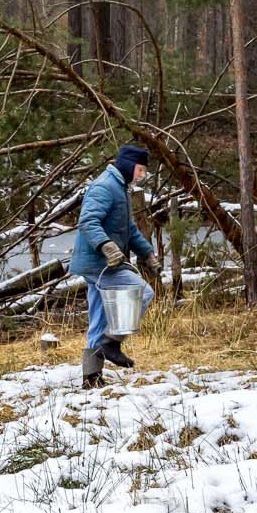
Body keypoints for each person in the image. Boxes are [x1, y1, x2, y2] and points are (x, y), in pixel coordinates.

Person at [70, 143, 158, 387]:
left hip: (100, 263)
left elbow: (128, 229)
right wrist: (107, 246)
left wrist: (147, 253)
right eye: (140, 170)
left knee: (98, 318)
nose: (142, 175)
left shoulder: (120, 188)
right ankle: (112, 342)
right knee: (141, 292)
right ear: (129, 166)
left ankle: (91, 378)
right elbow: (88, 222)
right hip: (99, 263)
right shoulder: (105, 186)